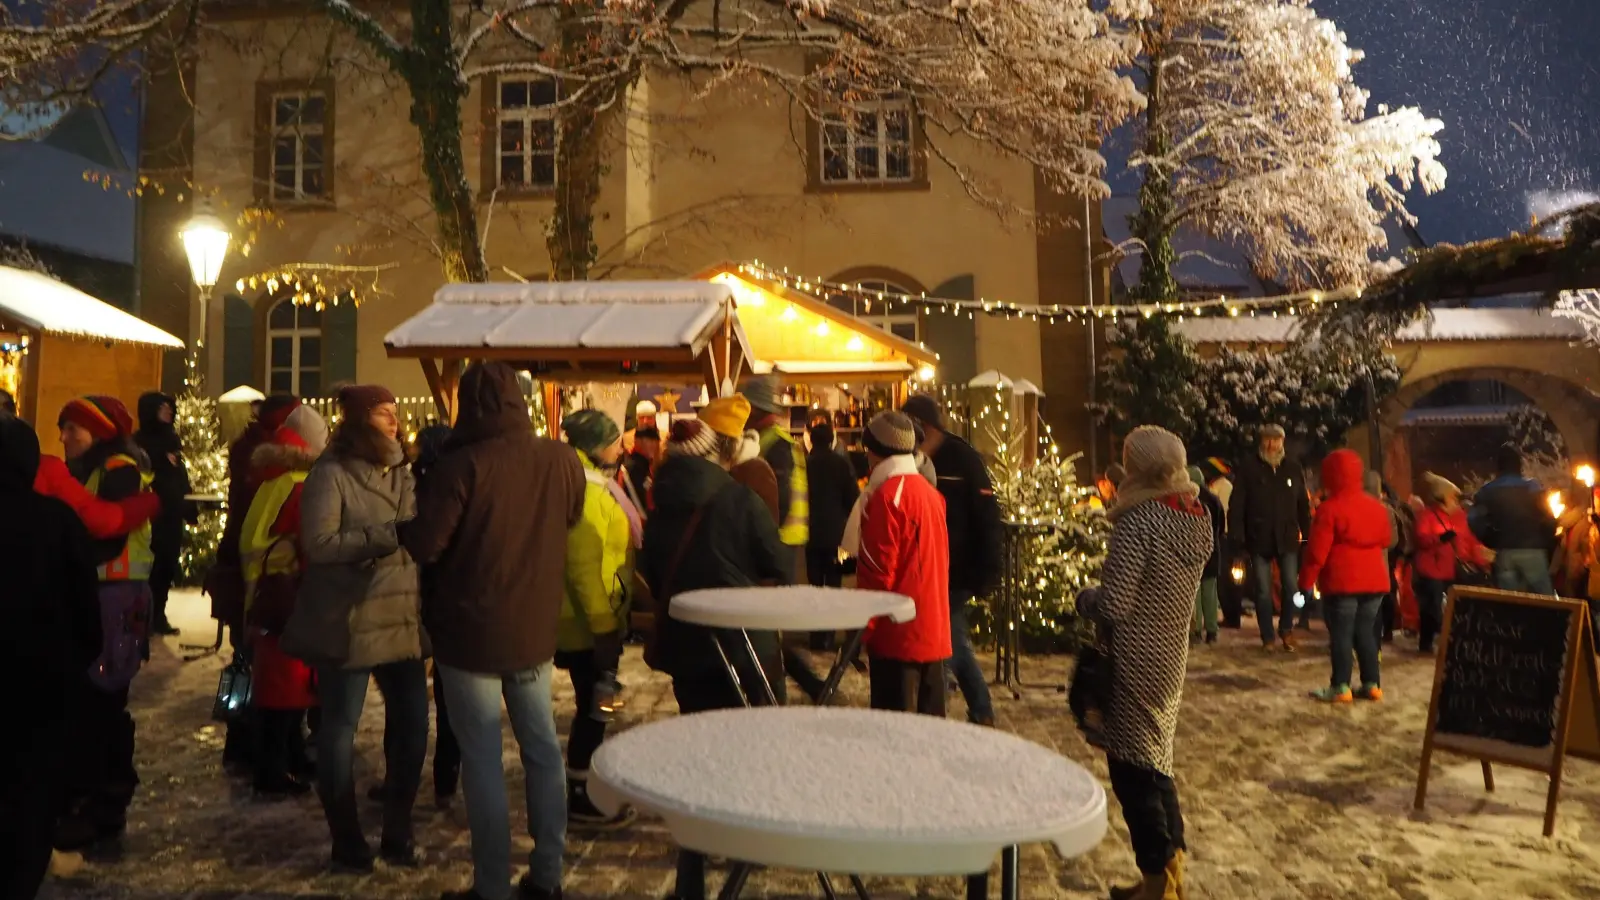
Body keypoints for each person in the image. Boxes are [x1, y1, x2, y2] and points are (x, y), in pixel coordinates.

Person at [400, 362, 585, 900]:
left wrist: (402, 525)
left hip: (470, 633)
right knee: (543, 750)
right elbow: (569, 516)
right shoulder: (560, 458)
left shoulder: (463, 465)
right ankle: (547, 874)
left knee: (481, 758)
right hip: (534, 626)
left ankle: (492, 886)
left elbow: (425, 544)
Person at [281, 385, 428, 872]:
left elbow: (418, 526)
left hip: (401, 615)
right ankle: (346, 837)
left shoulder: (405, 470)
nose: (396, 422)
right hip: (350, 616)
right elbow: (320, 544)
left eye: (395, 412)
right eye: (386, 414)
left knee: (411, 723)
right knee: (339, 726)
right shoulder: (331, 472)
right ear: (361, 419)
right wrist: (388, 537)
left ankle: (398, 828)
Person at [1079, 426, 1211, 900]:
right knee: (1158, 765)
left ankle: (1157, 878)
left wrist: (1084, 599)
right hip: (1171, 655)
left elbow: (1114, 604)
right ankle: (1170, 871)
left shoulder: (1141, 521)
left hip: (1133, 657)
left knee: (1133, 772)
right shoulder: (1196, 515)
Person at [0, 414, 101, 900]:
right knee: (32, 787)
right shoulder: (56, 521)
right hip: (43, 679)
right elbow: (86, 603)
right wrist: (79, 656)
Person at [52, 396, 156, 851]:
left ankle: (104, 805)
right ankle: (88, 797)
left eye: (73, 428)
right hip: (101, 594)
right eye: (62, 428)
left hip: (116, 596)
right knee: (91, 699)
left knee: (104, 699)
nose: (64, 437)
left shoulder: (118, 467)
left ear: (99, 431)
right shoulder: (92, 470)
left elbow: (105, 532)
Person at [642, 404, 791, 713]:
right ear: (715, 453)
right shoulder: (741, 498)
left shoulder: (658, 508)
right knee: (756, 740)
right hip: (744, 643)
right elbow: (779, 565)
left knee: (700, 735)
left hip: (685, 644)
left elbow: (654, 577)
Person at [237, 401, 328, 799]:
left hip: (265, 594)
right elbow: (311, 542)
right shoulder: (299, 483)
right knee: (287, 688)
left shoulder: (272, 477)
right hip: (289, 593)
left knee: (280, 684)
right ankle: (273, 769)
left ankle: (286, 757)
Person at [556, 409, 639, 830]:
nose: (622, 447)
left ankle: (585, 786)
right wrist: (605, 625)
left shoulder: (589, 483)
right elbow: (583, 567)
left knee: (597, 704)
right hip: (587, 624)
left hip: (589, 617)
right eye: (614, 440)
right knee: (594, 707)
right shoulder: (587, 492)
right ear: (594, 446)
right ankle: (580, 795)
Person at [900, 394, 1000, 726]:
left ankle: (973, 708)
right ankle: (954, 708)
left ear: (924, 426)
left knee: (949, 639)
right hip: (931, 567)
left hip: (957, 568)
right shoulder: (914, 461)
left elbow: (986, 515)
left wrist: (987, 570)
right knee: (944, 638)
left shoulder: (961, 458)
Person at [216, 394, 301, 775]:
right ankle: (268, 761)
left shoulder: (257, 467)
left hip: (252, 589)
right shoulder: (292, 481)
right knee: (277, 682)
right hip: (279, 594)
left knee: (251, 667)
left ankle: (244, 747)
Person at [855, 411, 951, 716]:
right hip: (933, 629)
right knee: (928, 733)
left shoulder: (886, 497)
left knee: (893, 733)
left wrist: (862, 629)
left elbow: (877, 574)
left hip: (897, 636)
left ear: (876, 452)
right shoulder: (931, 495)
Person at [1299, 451, 1394, 703]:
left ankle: (1341, 685)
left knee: (1341, 634)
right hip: (1375, 582)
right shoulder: (1377, 507)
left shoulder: (1329, 510)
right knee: (1365, 632)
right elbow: (1386, 539)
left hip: (1342, 582)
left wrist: (1305, 583)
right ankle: (1371, 683)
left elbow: (1316, 552)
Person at [1228, 423, 1311, 651]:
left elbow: (1302, 504)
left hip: (1287, 537)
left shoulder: (1292, 468)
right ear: (1261, 441)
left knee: (1291, 586)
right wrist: (1238, 534)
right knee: (1263, 590)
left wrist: (1306, 535)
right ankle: (1267, 635)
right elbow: (1237, 505)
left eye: (1276, 440)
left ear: (1282, 442)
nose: (1272, 444)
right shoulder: (1249, 468)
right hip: (1259, 536)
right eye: (1268, 439)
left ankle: (1286, 629)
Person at [134, 391, 196, 636]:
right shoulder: (140, 443)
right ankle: (143, 616)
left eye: (170, 408)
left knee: (166, 565)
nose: (168, 412)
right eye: (163, 408)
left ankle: (158, 615)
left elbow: (179, 476)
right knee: (151, 566)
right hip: (150, 514)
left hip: (171, 513)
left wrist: (188, 504)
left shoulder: (172, 440)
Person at [1414, 472, 1491, 654]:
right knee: (1431, 607)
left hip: (1452, 568)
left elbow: (1469, 541)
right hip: (1432, 568)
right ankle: (1429, 640)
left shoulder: (1459, 516)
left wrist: (1482, 559)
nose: (1456, 499)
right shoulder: (1427, 515)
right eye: (1452, 496)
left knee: (1454, 606)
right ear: (1442, 496)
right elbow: (1421, 539)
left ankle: (1450, 638)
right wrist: (1440, 538)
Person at [1469, 444, 1557, 594]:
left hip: (1504, 552)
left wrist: (1491, 539)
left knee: (1509, 599)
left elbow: (1474, 520)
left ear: (1498, 467)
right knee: (1544, 599)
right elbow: (1548, 518)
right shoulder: (1533, 488)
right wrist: (1547, 540)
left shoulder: (1486, 491)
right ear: (1519, 465)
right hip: (1533, 551)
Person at [743, 374, 809, 558]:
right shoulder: (772, 440)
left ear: (756, 411)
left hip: (779, 539)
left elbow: (780, 496)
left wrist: (765, 537)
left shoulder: (776, 444)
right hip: (784, 536)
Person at [1188, 466, 1225, 645]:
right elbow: (1221, 526)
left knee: (1195, 593)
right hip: (1212, 550)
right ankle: (1212, 631)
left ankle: (1196, 630)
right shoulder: (1214, 499)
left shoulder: (1188, 500)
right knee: (1210, 592)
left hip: (1194, 551)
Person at [620, 424, 659, 518]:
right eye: (649, 440)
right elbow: (642, 500)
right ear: (637, 441)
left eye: (656, 441)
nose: (654, 445)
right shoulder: (632, 467)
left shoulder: (645, 465)